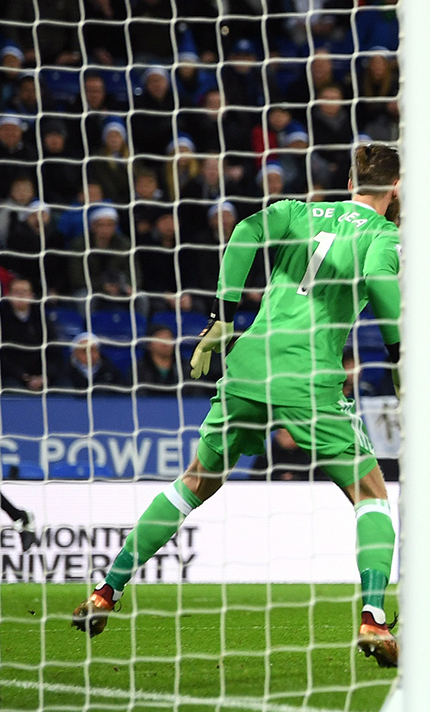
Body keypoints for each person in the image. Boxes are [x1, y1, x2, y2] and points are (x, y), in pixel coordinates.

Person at [73, 144, 405, 668]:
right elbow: (383, 286)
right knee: (371, 494)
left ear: (348, 182)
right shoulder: (383, 236)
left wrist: (225, 315)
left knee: (196, 479)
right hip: (308, 373)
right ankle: (372, 617)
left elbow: (245, 231)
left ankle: (106, 590)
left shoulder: (299, 210)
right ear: (396, 186)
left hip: (250, 361)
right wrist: (396, 354)